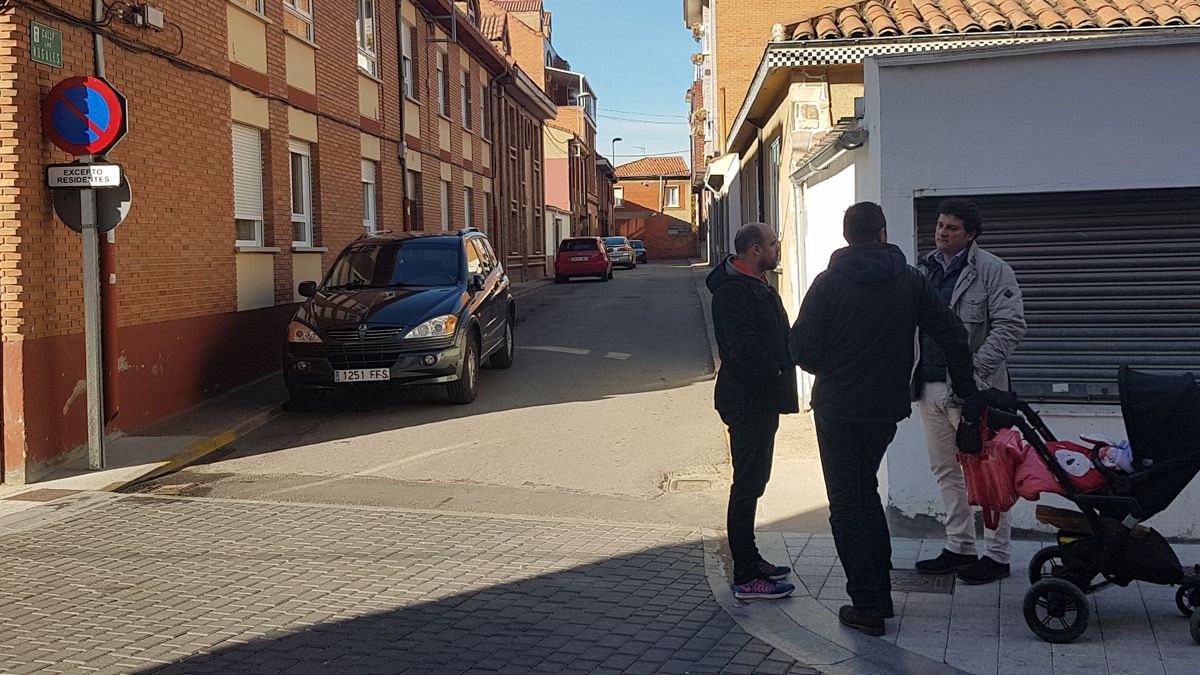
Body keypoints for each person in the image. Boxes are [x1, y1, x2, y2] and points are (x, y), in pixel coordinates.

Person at [789, 202, 977, 636]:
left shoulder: (829, 282)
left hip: (837, 406)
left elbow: (800, 349)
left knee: (846, 505)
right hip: (884, 409)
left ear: (847, 236)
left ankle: (869, 604)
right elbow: (951, 333)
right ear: (883, 233)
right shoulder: (911, 281)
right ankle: (880, 596)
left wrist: (831, 366)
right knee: (865, 493)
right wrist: (967, 391)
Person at [913, 199, 1026, 585]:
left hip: (973, 393)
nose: (942, 232)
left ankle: (997, 555)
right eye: (940, 225)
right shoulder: (923, 271)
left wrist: (972, 373)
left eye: (952, 228)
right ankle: (959, 546)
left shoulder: (993, 270)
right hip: (928, 386)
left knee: (988, 471)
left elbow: (1011, 327)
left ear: (971, 234)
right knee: (947, 470)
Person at [707, 223, 799, 601]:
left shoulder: (757, 283)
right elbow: (742, 347)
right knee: (746, 485)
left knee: (756, 481)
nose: (779, 249)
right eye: (774, 244)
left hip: (761, 398)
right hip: (747, 400)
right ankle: (746, 577)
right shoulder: (733, 292)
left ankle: (752, 557)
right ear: (755, 249)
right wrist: (775, 369)